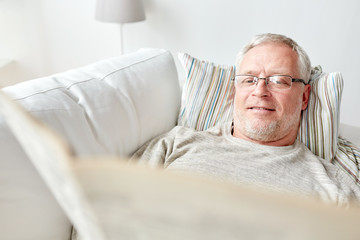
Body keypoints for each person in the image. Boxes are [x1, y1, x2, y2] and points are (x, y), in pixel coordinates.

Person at [131, 33, 360, 205]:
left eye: (279, 80)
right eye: (249, 79)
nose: (260, 91)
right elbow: (115, 208)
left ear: (304, 97)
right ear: (235, 90)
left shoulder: (336, 188)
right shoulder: (175, 143)